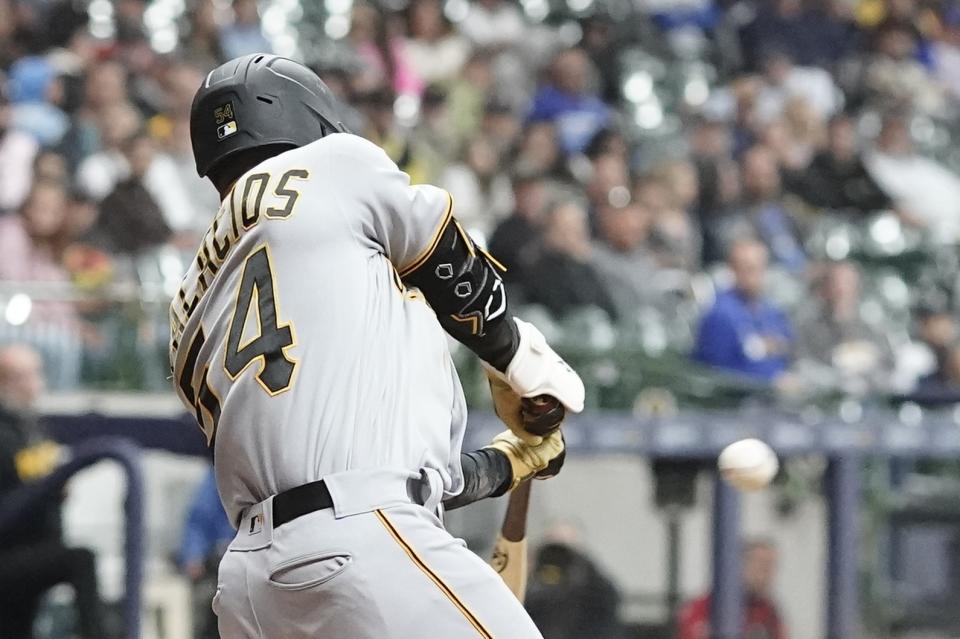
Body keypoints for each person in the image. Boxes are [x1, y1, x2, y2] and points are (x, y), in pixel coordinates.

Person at [171, 54, 584, 638]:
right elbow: (446, 254)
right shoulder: (329, 163)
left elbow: (366, 475)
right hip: (365, 543)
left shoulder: (189, 299)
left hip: (251, 585)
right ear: (310, 119)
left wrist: (507, 464)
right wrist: (515, 356)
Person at [0, 344, 104, 638]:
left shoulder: (31, 425)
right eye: (24, 377)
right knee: (81, 559)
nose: (34, 385)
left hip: (37, 545)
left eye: (36, 374)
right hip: (8, 551)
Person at [692, 238, 793, 382]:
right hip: (736, 399)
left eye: (756, 268)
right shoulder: (720, 315)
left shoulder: (773, 313)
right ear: (732, 270)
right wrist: (771, 381)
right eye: (744, 268)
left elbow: (786, 353)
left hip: (775, 399)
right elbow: (716, 371)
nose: (751, 276)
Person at [521, 196, 618, 321]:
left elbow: (610, 311)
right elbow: (564, 310)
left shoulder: (585, 266)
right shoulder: (537, 269)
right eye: (565, 228)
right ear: (548, 231)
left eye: (577, 228)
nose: (573, 235)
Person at [676, 539, 786, 639]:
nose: (768, 575)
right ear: (740, 565)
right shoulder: (701, 608)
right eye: (762, 566)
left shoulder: (769, 613)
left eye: (772, 567)